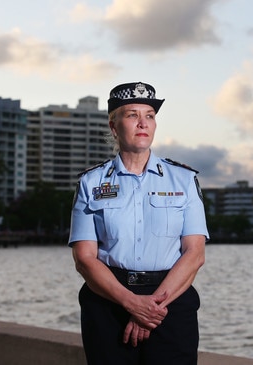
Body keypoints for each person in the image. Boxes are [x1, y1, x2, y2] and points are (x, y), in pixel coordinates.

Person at [68, 81, 209, 365]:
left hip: (171, 303)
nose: (142, 122)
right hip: (108, 304)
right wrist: (131, 303)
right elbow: (84, 258)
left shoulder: (184, 180)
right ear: (113, 126)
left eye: (150, 115)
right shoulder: (91, 182)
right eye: (132, 115)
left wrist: (150, 310)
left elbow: (195, 254)